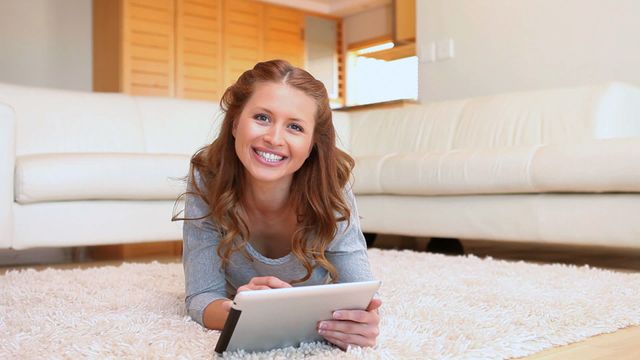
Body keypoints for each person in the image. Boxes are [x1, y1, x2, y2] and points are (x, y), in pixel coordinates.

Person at [175, 59, 381, 350]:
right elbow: (201, 296)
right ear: (235, 123)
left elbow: (360, 291)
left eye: (295, 127)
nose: (273, 138)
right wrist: (239, 312)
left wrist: (362, 322)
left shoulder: (331, 182)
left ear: (311, 145)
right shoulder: (207, 176)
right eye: (262, 117)